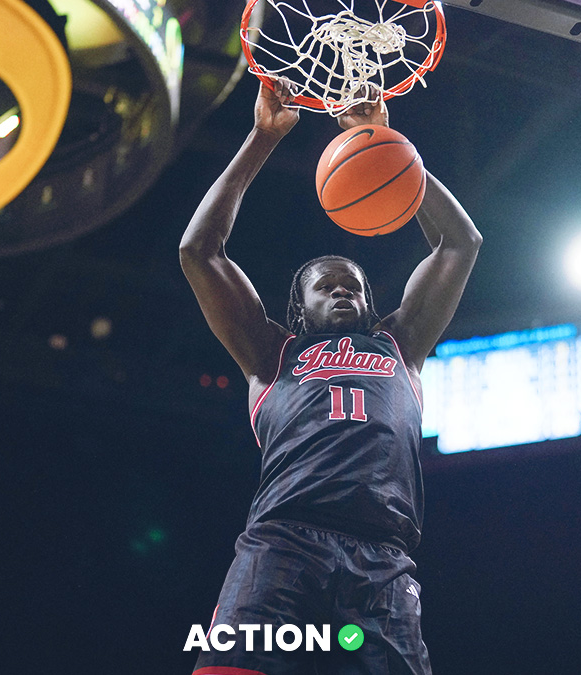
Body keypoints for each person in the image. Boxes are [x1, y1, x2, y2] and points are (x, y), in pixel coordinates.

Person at [179, 78, 482, 675]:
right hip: (283, 544)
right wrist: (263, 139)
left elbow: (460, 243)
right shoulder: (270, 353)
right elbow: (199, 251)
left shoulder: (401, 343)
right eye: (327, 284)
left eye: (355, 285)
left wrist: (387, 143)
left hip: (382, 560)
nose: (344, 288)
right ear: (300, 310)